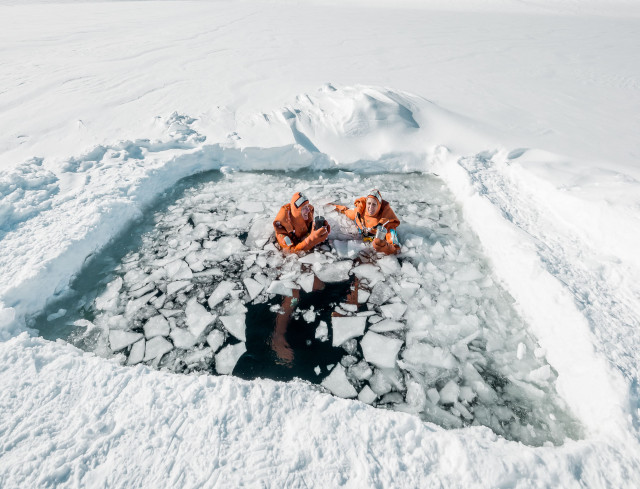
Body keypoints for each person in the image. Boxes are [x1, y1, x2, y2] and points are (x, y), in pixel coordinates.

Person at [335, 188, 400, 255]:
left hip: (374, 252)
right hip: (359, 244)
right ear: (366, 203)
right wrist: (330, 206)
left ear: (379, 206)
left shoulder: (387, 223)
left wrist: (383, 246)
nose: (370, 207)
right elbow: (345, 210)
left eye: (374, 204)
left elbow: (396, 249)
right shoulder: (359, 213)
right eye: (369, 203)